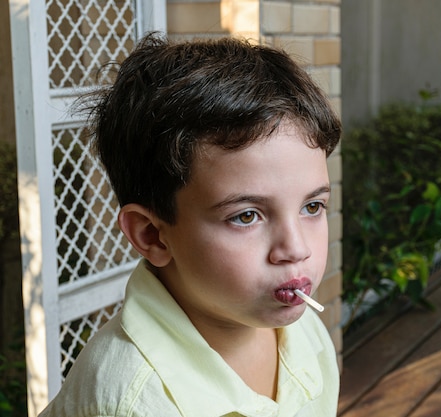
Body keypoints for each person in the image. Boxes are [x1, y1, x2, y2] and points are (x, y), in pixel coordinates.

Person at [39, 32, 342, 417]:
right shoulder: (134, 401)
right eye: (246, 216)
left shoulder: (301, 331)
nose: (297, 249)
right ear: (152, 235)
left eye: (312, 206)